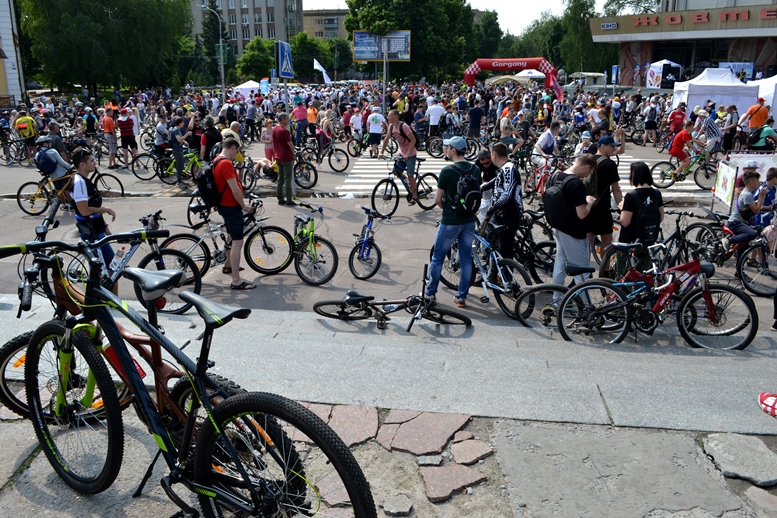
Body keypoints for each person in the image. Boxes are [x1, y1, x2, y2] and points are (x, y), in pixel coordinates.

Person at [426, 136, 481, 308]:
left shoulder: (447, 171)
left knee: (437, 258)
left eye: (448, 147)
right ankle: (461, 297)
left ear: (454, 150)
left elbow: (437, 199)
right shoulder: (476, 169)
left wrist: (448, 209)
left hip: (450, 221)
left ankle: (430, 294)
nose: (446, 150)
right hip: (469, 221)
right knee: (466, 260)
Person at [549, 153, 599, 300]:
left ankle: (557, 300)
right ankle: (585, 305)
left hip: (559, 227)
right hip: (574, 232)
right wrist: (589, 202)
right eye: (589, 172)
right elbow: (582, 214)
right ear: (586, 167)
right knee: (581, 270)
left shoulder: (556, 176)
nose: (587, 175)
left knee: (560, 266)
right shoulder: (576, 184)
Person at [213, 137, 257, 289]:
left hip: (224, 205)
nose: (236, 154)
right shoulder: (226, 163)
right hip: (231, 206)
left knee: (231, 236)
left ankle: (228, 265)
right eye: (236, 151)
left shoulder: (216, 160)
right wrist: (244, 206)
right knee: (238, 242)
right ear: (232, 148)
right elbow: (235, 190)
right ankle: (236, 281)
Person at [69, 146, 117, 274]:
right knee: (112, 268)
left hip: (96, 229)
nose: (95, 163)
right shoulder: (79, 182)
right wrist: (106, 209)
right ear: (82, 164)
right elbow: (84, 211)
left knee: (102, 268)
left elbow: (93, 207)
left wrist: (104, 226)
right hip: (91, 232)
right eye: (91, 160)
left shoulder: (84, 180)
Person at [615, 161, 665, 275]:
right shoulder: (656, 193)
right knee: (643, 274)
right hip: (649, 240)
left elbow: (625, 222)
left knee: (624, 275)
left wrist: (623, 208)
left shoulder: (631, 195)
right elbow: (660, 217)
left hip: (630, 242)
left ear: (633, 174)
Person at [587, 134, 625, 259]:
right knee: (607, 241)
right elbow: (616, 190)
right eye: (611, 146)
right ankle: (605, 269)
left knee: (587, 241)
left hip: (586, 206)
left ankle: (584, 269)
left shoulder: (588, 160)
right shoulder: (609, 164)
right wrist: (622, 207)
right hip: (602, 208)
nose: (614, 149)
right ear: (603, 146)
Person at [485, 143, 523, 261]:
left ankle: (506, 271)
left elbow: (507, 194)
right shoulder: (505, 168)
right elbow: (497, 180)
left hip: (508, 214)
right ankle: (495, 268)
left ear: (494, 155)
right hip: (502, 213)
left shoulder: (508, 168)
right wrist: (483, 187)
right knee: (494, 242)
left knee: (505, 249)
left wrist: (493, 207)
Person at [380, 109, 418, 204]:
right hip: (402, 153)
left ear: (396, 117)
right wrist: (382, 152)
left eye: (389, 116)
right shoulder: (391, 127)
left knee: (410, 175)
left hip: (410, 153)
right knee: (396, 171)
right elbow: (386, 139)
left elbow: (413, 140)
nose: (388, 117)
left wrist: (408, 154)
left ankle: (415, 196)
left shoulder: (404, 126)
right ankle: (408, 183)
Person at [725, 169, 767, 255]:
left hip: (741, 222)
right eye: (757, 181)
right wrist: (761, 196)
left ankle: (740, 263)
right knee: (753, 234)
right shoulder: (747, 194)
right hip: (736, 222)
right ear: (751, 183)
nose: (759, 183)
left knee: (743, 247)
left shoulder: (746, 192)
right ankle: (729, 240)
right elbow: (757, 210)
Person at [273, 113, 296, 206]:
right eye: (286, 119)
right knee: (287, 179)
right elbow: (290, 145)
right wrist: (293, 154)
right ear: (282, 119)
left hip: (278, 156)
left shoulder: (274, 129)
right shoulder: (284, 131)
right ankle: (289, 199)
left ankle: (280, 198)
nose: (288, 120)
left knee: (280, 178)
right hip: (286, 157)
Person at [476, 149, 498, 223]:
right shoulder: (478, 163)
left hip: (496, 182)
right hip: (486, 182)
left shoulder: (496, 162)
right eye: (482, 164)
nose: (485, 165)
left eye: (487, 163)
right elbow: (476, 175)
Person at [169, 116, 191, 185]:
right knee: (180, 165)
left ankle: (180, 179)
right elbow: (179, 139)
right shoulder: (176, 130)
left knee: (180, 164)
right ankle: (179, 181)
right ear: (179, 123)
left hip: (179, 148)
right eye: (182, 122)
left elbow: (179, 139)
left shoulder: (177, 129)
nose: (184, 124)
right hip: (177, 149)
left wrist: (184, 141)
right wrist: (187, 134)